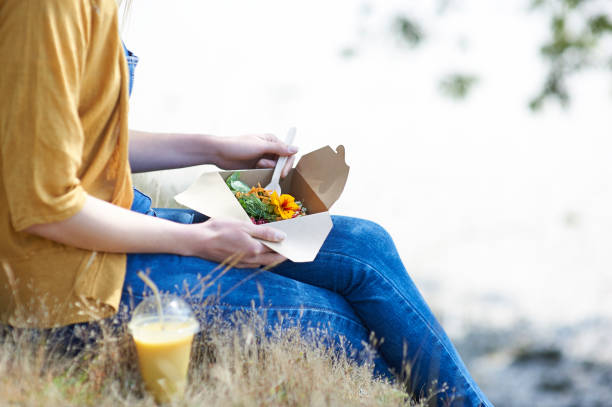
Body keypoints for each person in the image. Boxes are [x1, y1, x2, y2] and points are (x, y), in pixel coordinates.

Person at [0, 1, 493, 406]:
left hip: (115, 226)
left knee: (366, 246)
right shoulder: (49, 8)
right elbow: (45, 205)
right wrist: (197, 240)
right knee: (341, 328)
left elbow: (83, 140)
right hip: (63, 284)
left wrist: (214, 147)